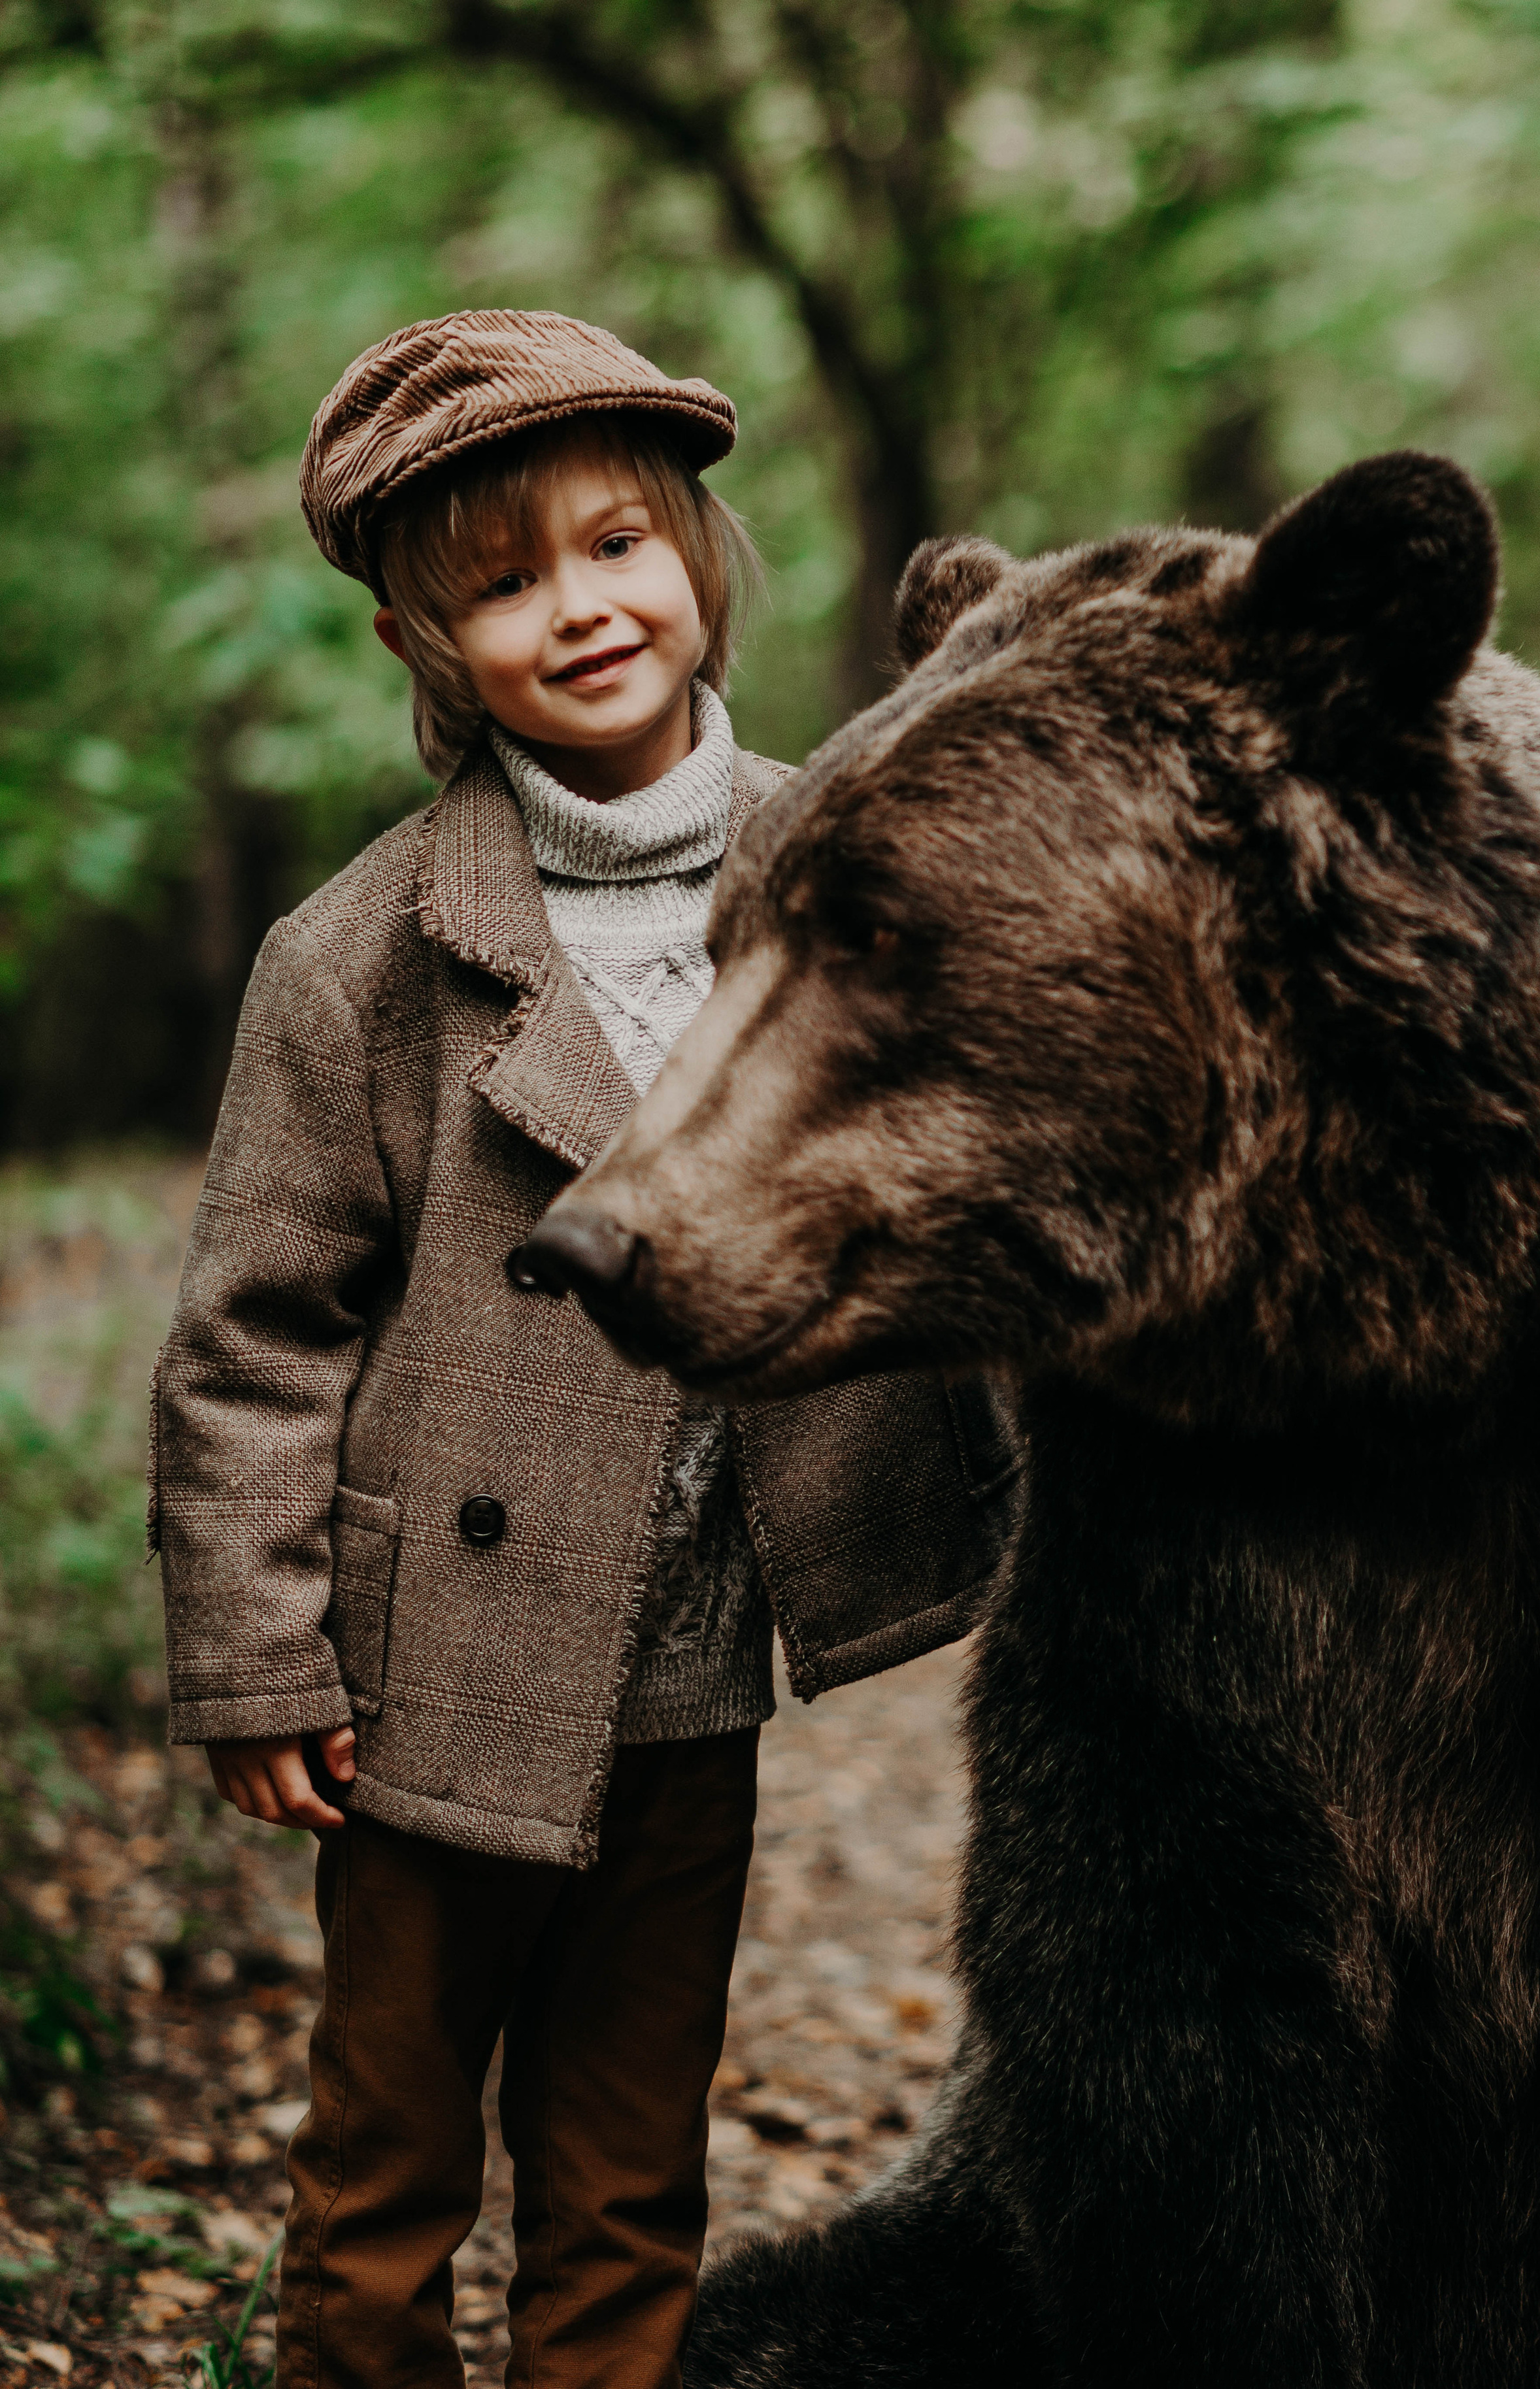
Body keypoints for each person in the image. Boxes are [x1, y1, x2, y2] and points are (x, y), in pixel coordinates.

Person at [150, 310, 1020, 2389]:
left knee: (628, 2175)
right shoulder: (364, 956)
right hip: (427, 1688)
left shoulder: (844, 867)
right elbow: (256, 1334)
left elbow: (966, 1171)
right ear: (429, 649)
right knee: (385, 2168)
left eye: (618, 543)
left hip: (691, 1666)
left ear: (697, 551)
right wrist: (259, 1659)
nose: (582, 606)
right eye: (505, 584)